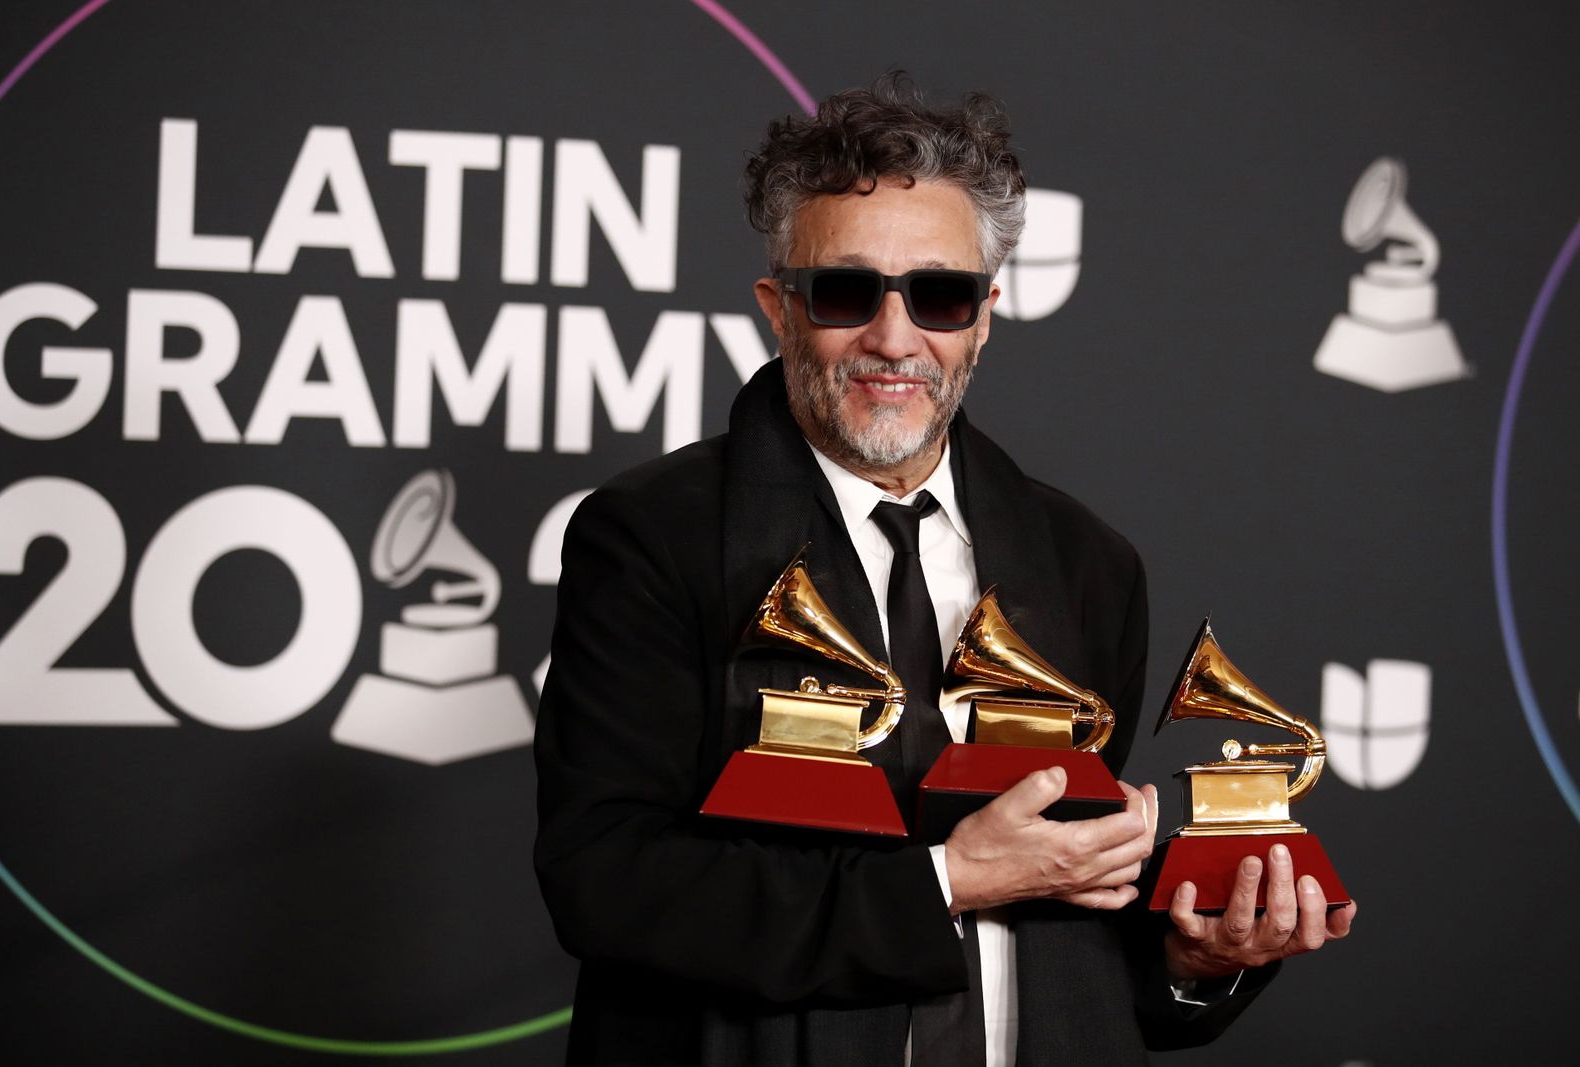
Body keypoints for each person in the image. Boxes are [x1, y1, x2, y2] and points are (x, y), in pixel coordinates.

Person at [533, 73, 1355, 1066]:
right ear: (777, 308)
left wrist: (1194, 953)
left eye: (938, 292)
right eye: (844, 291)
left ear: (983, 313)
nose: (893, 336)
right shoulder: (649, 535)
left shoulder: (1088, 562)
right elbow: (608, 882)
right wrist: (946, 880)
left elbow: (1071, 917)